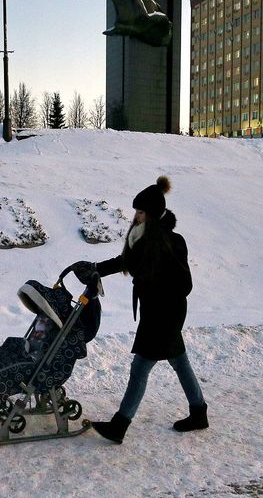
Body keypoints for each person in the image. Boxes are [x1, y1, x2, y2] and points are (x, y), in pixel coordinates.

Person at [73, 176, 206, 444]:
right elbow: (126, 261)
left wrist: (155, 285)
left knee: (140, 367)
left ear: (153, 214)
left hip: (164, 315)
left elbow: (184, 283)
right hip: (157, 312)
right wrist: (96, 267)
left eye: (141, 212)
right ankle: (199, 412)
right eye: (137, 211)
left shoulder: (170, 242)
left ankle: (119, 425)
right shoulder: (144, 238)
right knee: (180, 362)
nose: (136, 216)